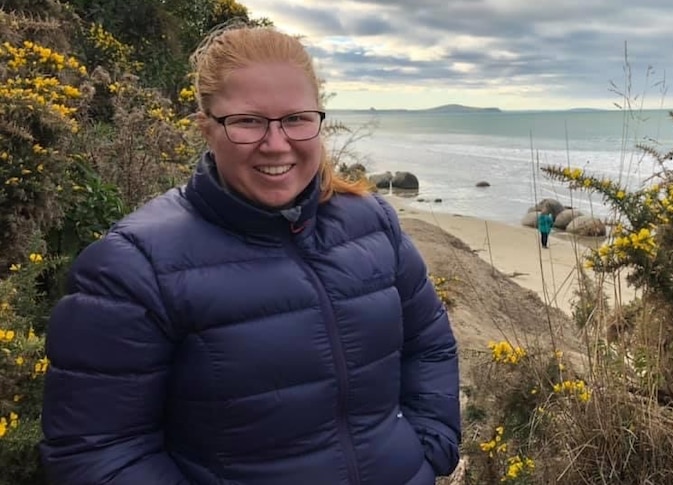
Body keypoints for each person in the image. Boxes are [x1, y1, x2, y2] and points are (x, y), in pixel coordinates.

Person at [40, 24, 460, 485]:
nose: (276, 143)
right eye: (247, 121)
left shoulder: (373, 222)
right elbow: (99, 454)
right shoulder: (133, 266)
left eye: (296, 119)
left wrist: (429, 448)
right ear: (206, 126)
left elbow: (429, 343)